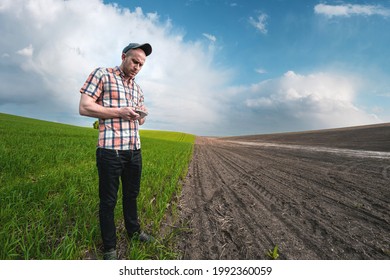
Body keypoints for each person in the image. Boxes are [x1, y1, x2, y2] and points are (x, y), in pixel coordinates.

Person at [79, 43, 154, 260]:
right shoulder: (102, 74)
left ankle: (134, 232)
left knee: (131, 196)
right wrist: (119, 112)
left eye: (141, 64)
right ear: (124, 56)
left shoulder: (137, 89)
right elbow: (84, 107)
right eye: (134, 61)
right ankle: (110, 247)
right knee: (108, 201)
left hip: (134, 151)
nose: (137, 67)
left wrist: (142, 114)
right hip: (110, 151)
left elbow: (140, 121)